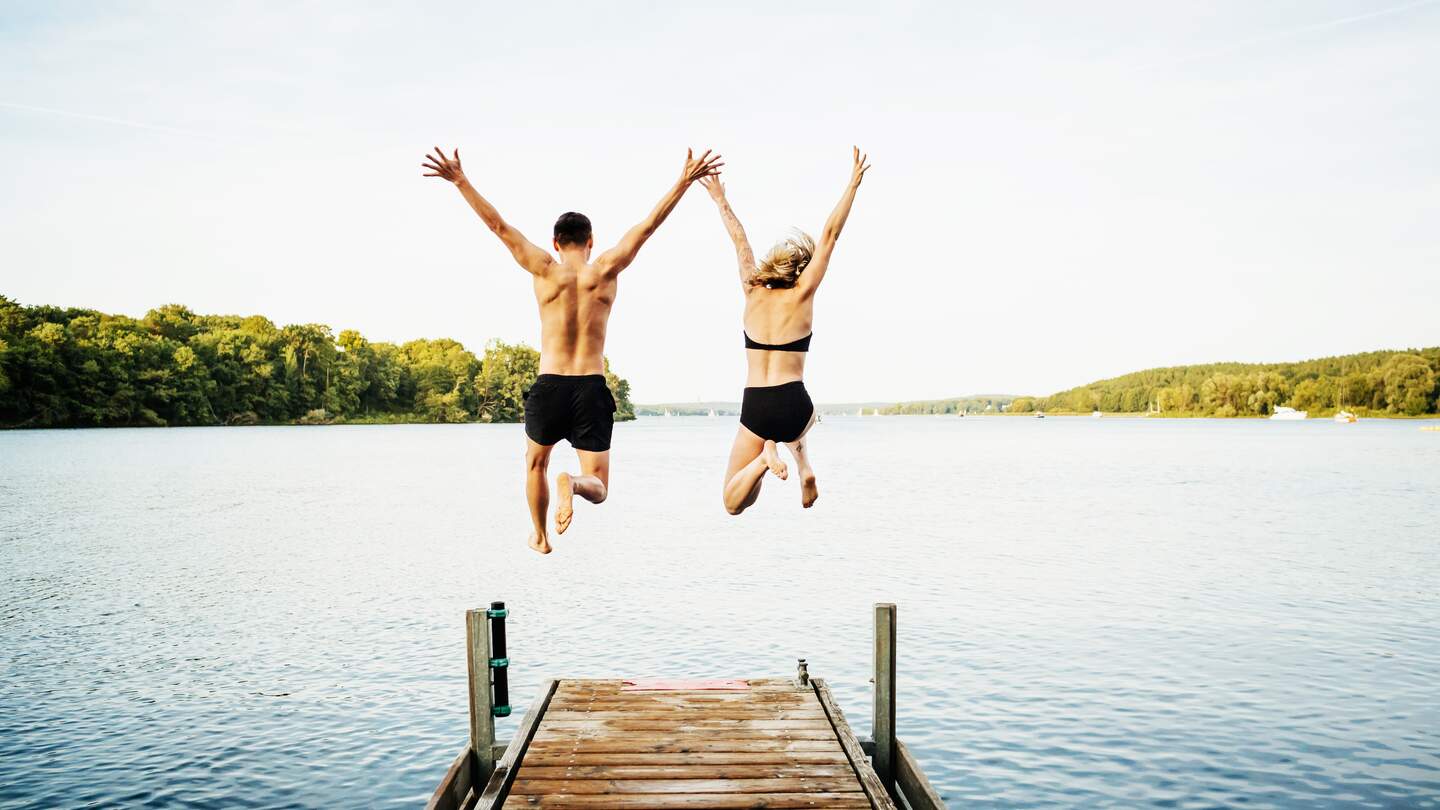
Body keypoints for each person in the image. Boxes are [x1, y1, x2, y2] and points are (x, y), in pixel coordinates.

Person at [423, 146, 723, 553]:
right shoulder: (606, 268)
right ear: (591, 241)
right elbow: (648, 227)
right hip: (590, 386)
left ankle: (541, 535)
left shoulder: (543, 267)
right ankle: (574, 484)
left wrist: (460, 181)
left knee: (535, 464)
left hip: (550, 385)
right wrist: (683, 182)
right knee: (599, 486)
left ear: (556, 242)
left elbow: (498, 226)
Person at [699, 147, 870, 515]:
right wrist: (852, 184)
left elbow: (740, 239)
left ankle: (763, 461)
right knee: (804, 419)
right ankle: (804, 465)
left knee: (733, 501)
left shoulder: (751, 290)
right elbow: (829, 235)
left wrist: (719, 199)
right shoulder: (803, 294)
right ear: (798, 271)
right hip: (796, 403)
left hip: (757, 404)